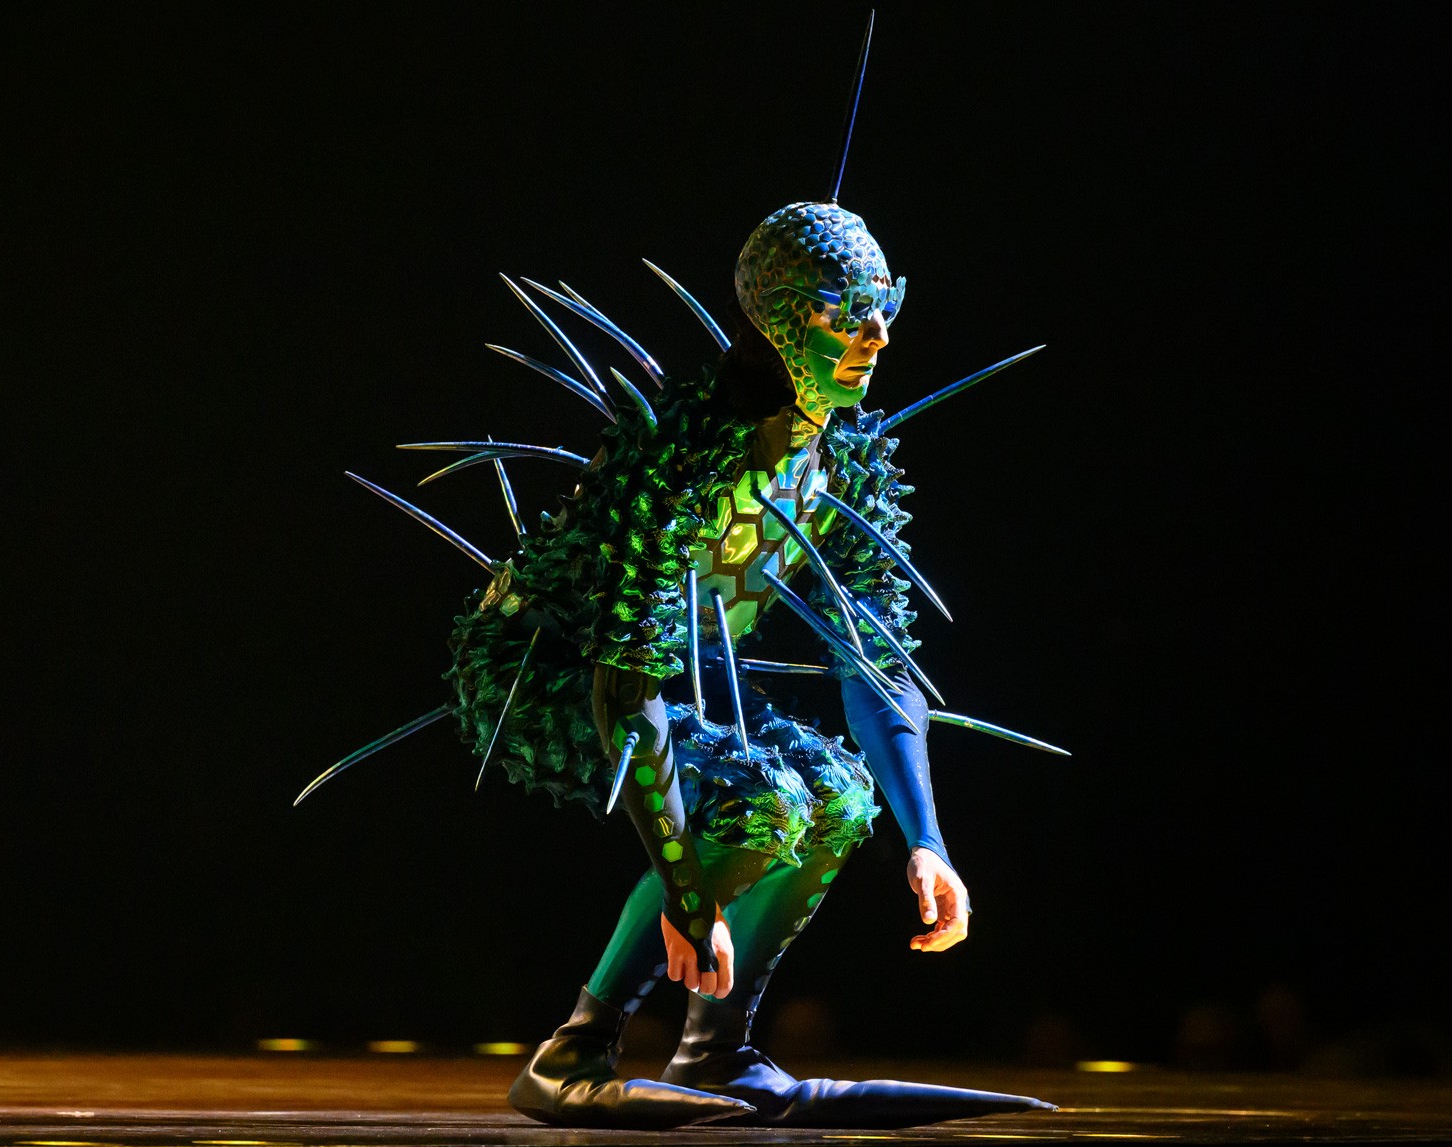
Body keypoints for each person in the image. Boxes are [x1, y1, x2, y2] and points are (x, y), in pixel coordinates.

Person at [442, 200, 1056, 1128]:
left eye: (884, 307)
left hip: (660, 669)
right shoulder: (678, 457)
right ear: (778, 320)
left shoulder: (846, 463)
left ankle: (719, 1050)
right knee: (763, 803)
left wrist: (925, 838)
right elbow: (625, 680)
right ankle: (575, 1048)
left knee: (839, 797)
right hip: (543, 668)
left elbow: (873, 658)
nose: (877, 336)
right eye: (844, 312)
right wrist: (689, 891)